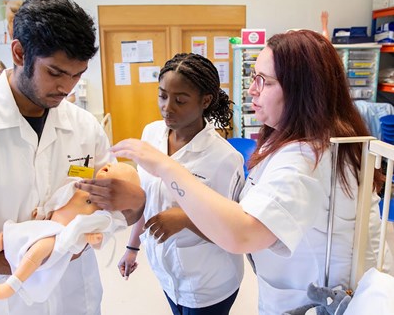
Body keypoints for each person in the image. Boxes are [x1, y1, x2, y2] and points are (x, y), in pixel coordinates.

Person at [99, 30, 389, 315]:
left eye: (264, 81)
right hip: (279, 289)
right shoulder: (288, 140)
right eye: (253, 77)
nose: (252, 90)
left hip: (309, 296)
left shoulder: (306, 158)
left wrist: (167, 168)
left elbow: (241, 234)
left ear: (302, 90)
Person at [0, 0, 145, 315]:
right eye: (55, 72)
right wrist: (38, 256)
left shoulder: (84, 127)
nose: (66, 87)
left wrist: (135, 202)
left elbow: (114, 213)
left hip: (73, 299)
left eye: (77, 75)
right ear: (18, 53)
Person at [112, 53, 245, 315]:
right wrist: (132, 247)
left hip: (208, 282)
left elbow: (235, 234)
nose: (167, 107)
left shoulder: (223, 158)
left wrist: (186, 218)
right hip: (167, 273)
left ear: (205, 100)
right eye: (162, 95)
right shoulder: (151, 134)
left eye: (180, 100)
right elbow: (147, 197)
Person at [0, 162, 140, 305]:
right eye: (108, 165)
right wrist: (43, 211)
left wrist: (95, 239)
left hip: (59, 238)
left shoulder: (104, 213)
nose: (106, 165)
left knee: (37, 250)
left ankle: (12, 285)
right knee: (8, 234)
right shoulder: (79, 186)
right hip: (46, 224)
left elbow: (102, 235)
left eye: (113, 171)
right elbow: (59, 200)